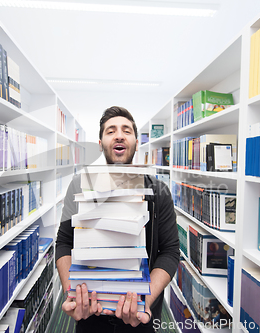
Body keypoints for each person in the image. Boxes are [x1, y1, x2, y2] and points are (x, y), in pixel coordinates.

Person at [56, 106, 179, 332]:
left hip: (139, 317)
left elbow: (170, 252)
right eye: (110, 131)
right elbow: (64, 242)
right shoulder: (79, 185)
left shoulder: (159, 191)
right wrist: (71, 294)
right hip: (90, 316)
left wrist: (145, 301)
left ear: (135, 141)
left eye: (127, 130)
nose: (119, 135)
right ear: (101, 143)